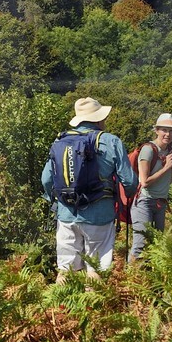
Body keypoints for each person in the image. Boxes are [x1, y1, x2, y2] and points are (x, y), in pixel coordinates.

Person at [41, 96, 137, 283]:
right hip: (99, 215)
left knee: (66, 270)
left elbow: (46, 179)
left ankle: (63, 307)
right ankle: (92, 308)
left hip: (66, 214)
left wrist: (54, 200)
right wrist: (128, 197)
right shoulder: (111, 141)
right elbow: (129, 181)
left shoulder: (60, 141)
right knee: (96, 268)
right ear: (98, 119)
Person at [128, 113, 172, 264]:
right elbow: (144, 182)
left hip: (160, 203)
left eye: (171, 131)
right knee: (140, 246)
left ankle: (149, 282)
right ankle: (128, 280)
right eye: (164, 130)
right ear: (156, 130)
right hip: (144, 202)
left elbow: (171, 180)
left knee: (157, 245)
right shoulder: (148, 150)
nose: (168, 134)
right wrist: (166, 167)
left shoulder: (169, 152)